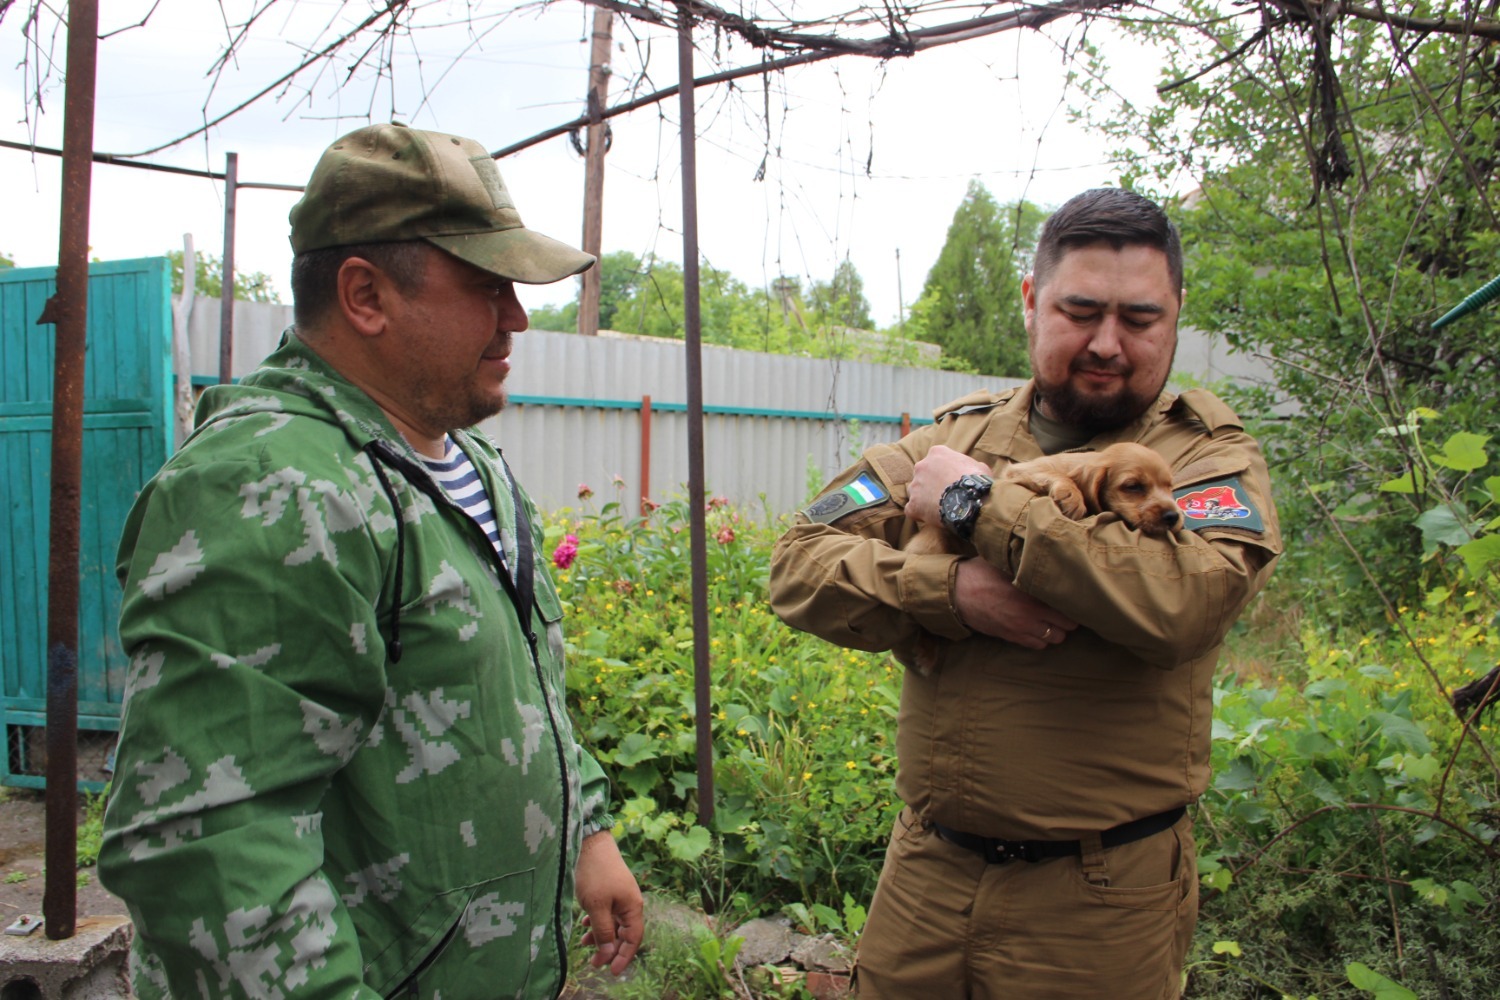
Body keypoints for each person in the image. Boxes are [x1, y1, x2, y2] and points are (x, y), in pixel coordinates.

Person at [98, 123, 643, 1000]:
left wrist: (588, 831)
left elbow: (520, 692)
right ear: (365, 295)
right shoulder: (273, 486)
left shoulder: (464, 463)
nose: (515, 316)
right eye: (486, 284)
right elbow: (209, 846)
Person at [769, 188, 1282, 999]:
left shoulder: (1199, 458)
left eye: (1140, 318)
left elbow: (1187, 602)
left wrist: (978, 507)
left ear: (1176, 315)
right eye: (1080, 311)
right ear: (1032, 301)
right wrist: (949, 590)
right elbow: (798, 565)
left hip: (1097, 903)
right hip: (925, 880)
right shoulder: (954, 437)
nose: (1107, 343)